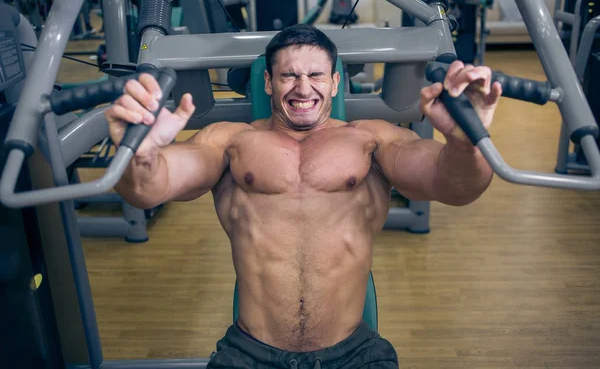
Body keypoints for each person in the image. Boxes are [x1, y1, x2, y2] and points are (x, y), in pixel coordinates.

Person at [106, 24, 502, 368]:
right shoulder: (229, 141)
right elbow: (147, 188)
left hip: (355, 353)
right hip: (249, 353)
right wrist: (137, 154)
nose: (303, 87)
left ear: (334, 82)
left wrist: (465, 142)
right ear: (267, 82)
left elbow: (457, 187)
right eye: (288, 76)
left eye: (316, 74)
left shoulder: (372, 139)